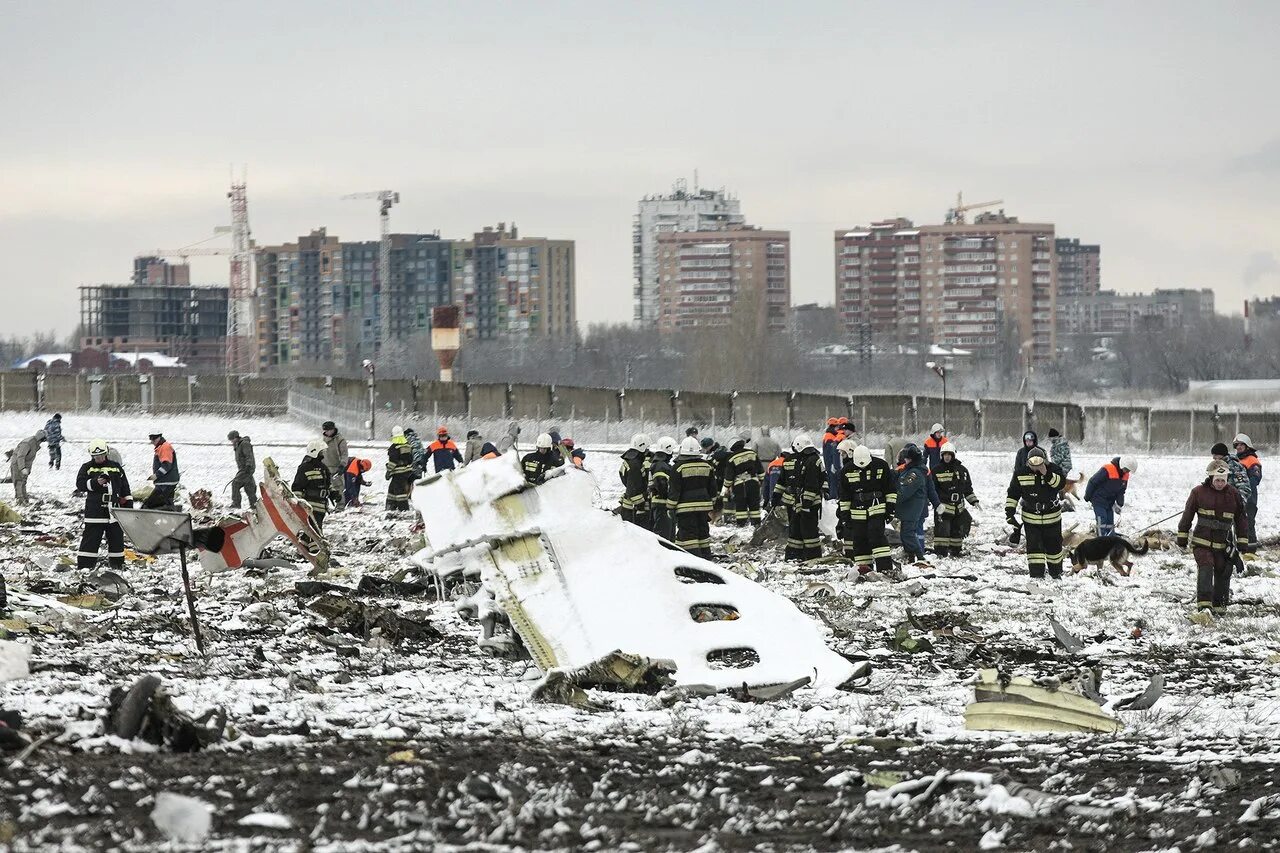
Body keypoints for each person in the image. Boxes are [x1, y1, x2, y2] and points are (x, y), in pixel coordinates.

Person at [1178, 462, 1250, 613]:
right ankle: (1204, 606)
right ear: (1211, 478)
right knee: (1206, 567)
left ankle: (1220, 607)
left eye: (1223, 480)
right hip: (1201, 542)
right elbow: (1187, 515)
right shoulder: (1198, 492)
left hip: (1223, 545)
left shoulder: (1234, 494)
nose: (1220, 483)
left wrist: (1243, 540)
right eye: (1217, 480)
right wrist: (1182, 537)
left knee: (1223, 571)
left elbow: (1241, 519)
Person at [1006, 446, 1066, 579]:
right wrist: (1009, 512)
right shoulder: (1020, 473)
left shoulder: (1054, 469)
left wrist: (1047, 473)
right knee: (1034, 549)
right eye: (1032, 463)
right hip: (1030, 518)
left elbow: (1060, 484)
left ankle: (1056, 574)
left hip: (1052, 517)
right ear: (1028, 462)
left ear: (1044, 461)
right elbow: (1013, 493)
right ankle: (1036, 575)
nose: (1035, 466)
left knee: (1054, 548)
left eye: (1039, 462)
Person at [838, 442, 897, 574]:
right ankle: (864, 570)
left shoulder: (881, 466)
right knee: (859, 539)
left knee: (876, 535)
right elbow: (844, 495)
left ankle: (885, 569)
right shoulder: (847, 470)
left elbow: (890, 490)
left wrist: (890, 509)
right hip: (857, 510)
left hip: (877, 506)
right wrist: (845, 515)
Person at [74, 439, 132, 570]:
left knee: (116, 539)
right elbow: (80, 484)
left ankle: (118, 565)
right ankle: (84, 566)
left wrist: (128, 506)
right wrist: (96, 482)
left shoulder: (116, 467)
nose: (98, 459)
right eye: (95, 457)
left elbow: (125, 488)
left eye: (100, 456)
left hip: (113, 512)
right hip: (95, 512)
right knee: (90, 540)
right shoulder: (87, 467)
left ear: (106, 453)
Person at [670, 437, 717, 558]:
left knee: (689, 535)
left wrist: (670, 507)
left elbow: (674, 490)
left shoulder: (678, 468)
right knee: (702, 531)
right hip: (704, 506)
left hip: (685, 508)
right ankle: (706, 556)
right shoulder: (707, 466)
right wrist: (711, 502)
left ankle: (693, 560)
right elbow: (712, 488)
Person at [930, 441, 979, 557]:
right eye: (945, 454)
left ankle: (955, 552)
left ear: (953, 455)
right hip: (943, 507)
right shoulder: (936, 470)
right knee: (942, 532)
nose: (947, 457)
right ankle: (941, 554)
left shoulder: (962, 470)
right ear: (941, 455)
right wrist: (935, 503)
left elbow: (967, 488)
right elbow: (932, 489)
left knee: (957, 531)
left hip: (958, 508)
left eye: (949, 454)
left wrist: (974, 501)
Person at [785, 433, 825, 562]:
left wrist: (806, 505)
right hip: (801, 501)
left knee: (809, 532)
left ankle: (813, 557)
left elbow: (811, 485)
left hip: (809, 503)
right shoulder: (806, 459)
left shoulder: (811, 461)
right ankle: (795, 555)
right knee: (796, 529)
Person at [1084, 456, 1137, 537]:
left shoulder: (1125, 475)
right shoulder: (1108, 469)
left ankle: (1111, 539)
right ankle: (1101, 540)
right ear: (1122, 465)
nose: (1127, 472)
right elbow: (1093, 481)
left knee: (1109, 522)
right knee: (1102, 520)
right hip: (1098, 500)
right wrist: (1087, 496)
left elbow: (1121, 491)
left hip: (1109, 502)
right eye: (1126, 469)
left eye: (1129, 471)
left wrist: (1120, 504)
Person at [895, 443, 929, 562]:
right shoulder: (910, 470)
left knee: (908, 533)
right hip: (909, 509)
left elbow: (904, 491)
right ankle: (911, 556)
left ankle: (919, 556)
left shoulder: (915, 473)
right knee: (905, 533)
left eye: (907, 458)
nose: (905, 460)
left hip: (911, 509)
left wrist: (892, 498)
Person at [1233, 434, 1262, 558]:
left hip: (1249, 497)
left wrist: (1243, 489)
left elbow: (1255, 479)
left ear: (1247, 446)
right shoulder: (1236, 460)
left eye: (1241, 445)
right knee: (1236, 522)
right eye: (1237, 445)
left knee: (1248, 522)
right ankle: (1239, 547)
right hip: (1236, 496)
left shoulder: (1252, 460)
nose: (1239, 447)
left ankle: (1250, 551)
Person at [292, 440, 332, 530]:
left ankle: (311, 543)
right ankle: (308, 543)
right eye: (321, 451)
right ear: (315, 452)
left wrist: (333, 493)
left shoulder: (323, 468)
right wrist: (299, 504)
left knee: (316, 531)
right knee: (312, 532)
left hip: (321, 507)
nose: (323, 454)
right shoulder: (304, 468)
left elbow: (328, 484)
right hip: (310, 507)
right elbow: (297, 487)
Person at [727, 435, 764, 526]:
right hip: (753, 483)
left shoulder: (732, 458)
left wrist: (727, 488)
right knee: (754, 504)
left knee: (741, 506)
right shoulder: (752, 453)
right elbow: (760, 470)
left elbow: (728, 477)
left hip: (739, 486)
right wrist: (761, 481)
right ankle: (756, 524)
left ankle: (741, 525)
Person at [619, 433, 652, 528]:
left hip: (628, 507)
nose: (647, 451)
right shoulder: (635, 465)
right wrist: (641, 504)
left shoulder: (630, 461)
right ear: (642, 447)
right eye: (646, 448)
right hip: (634, 510)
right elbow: (634, 490)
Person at [648, 436, 678, 541]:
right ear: (668, 450)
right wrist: (670, 495)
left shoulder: (659, 463)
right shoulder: (661, 465)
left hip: (660, 503)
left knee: (666, 533)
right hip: (662, 504)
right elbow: (661, 484)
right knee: (664, 535)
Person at [143, 431, 179, 510]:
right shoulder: (161, 447)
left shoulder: (165, 447)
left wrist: (156, 475)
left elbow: (166, 465)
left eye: (153, 439)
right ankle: (172, 514)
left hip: (165, 483)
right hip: (167, 482)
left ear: (159, 437)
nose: (152, 442)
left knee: (148, 505)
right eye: (151, 439)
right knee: (166, 502)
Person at [8, 430, 45, 505]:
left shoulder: (35, 444)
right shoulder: (28, 443)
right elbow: (21, 456)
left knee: (23, 482)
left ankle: (25, 499)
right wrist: (22, 468)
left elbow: (29, 459)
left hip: (24, 465)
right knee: (19, 481)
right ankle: (20, 500)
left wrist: (28, 469)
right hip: (18, 464)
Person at [385, 426, 417, 512]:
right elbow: (410, 459)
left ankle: (403, 509)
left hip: (398, 473)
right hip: (407, 473)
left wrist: (388, 471)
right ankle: (391, 506)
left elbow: (393, 462)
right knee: (392, 489)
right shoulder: (408, 446)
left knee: (400, 492)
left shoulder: (394, 448)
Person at [1211, 442, 1252, 507]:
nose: (1213, 458)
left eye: (1216, 455)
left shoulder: (1235, 467)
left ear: (1222, 455)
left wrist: (1237, 505)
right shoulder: (1217, 466)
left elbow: (1244, 488)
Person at [321, 421, 350, 507]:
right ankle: (324, 506)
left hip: (336, 468)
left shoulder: (340, 440)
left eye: (328, 430)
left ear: (333, 429)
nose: (327, 432)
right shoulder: (322, 440)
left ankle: (340, 506)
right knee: (324, 488)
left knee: (338, 488)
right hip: (325, 467)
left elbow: (344, 454)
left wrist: (342, 465)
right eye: (325, 431)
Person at [227, 430, 257, 509]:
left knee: (235, 484)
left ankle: (236, 504)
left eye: (232, 439)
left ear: (236, 438)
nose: (231, 442)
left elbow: (248, 456)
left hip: (246, 469)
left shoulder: (244, 444)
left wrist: (248, 466)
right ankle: (254, 505)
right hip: (244, 469)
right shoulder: (238, 445)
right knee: (249, 487)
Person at [822, 418, 844, 499]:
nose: (838, 428)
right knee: (833, 479)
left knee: (832, 479)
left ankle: (833, 496)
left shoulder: (829, 435)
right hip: (831, 462)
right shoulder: (830, 437)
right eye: (837, 427)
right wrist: (833, 463)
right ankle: (833, 497)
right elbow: (831, 451)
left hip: (829, 462)